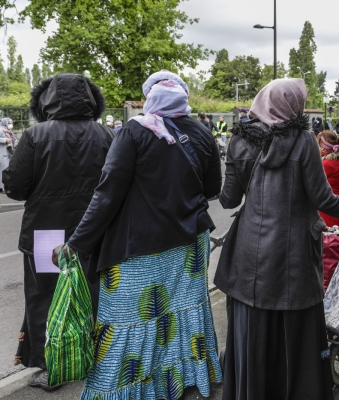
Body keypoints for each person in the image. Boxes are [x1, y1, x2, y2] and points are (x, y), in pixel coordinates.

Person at [214, 78, 339, 400]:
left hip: (248, 260)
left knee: (251, 330)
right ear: (294, 104)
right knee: (295, 336)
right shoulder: (302, 140)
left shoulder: (239, 141)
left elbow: (228, 200)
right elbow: (324, 199)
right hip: (294, 260)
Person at [51, 70, 223, 399]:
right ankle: (182, 378)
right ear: (184, 96)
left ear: (149, 98)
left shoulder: (133, 132)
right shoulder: (202, 132)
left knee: (129, 321)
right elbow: (213, 187)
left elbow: (106, 195)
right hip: (188, 246)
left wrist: (76, 243)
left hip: (138, 251)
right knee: (183, 311)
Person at [2, 73, 114, 391]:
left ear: (46, 101)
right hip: (93, 231)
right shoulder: (105, 135)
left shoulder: (37, 134)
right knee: (93, 295)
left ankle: (51, 368)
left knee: (45, 299)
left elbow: (15, 186)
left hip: (45, 233)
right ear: (90, 100)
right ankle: (93, 357)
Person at [317, 130, 339, 228]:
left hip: (327, 208)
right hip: (335, 205)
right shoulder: (333, 160)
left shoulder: (326, 164)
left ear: (322, 147)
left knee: (328, 240)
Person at [0, 118, 16, 193]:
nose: (11, 125)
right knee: (4, 171)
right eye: (9, 123)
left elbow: (14, 142)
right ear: (5, 123)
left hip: (9, 153)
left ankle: (5, 187)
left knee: (7, 171)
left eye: (11, 123)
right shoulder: (0, 130)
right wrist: (5, 140)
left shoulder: (10, 132)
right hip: (2, 154)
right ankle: (3, 187)